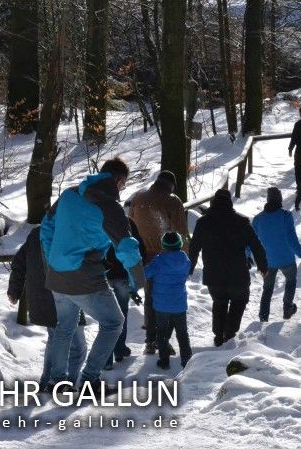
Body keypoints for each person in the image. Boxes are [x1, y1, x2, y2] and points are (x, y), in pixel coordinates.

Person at [40, 157, 145, 389]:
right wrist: (137, 280)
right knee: (114, 323)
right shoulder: (109, 207)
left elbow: (46, 227)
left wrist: (52, 260)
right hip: (84, 277)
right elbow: (127, 246)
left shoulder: (69, 194)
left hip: (57, 275)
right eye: (123, 184)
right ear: (118, 180)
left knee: (64, 328)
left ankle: (56, 381)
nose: (122, 189)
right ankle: (89, 380)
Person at [8, 225, 87, 387]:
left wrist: (15, 290)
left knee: (56, 339)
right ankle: (65, 384)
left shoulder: (39, 232)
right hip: (60, 296)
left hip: (49, 296)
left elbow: (19, 260)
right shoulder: (68, 232)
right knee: (77, 346)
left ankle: (50, 383)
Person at [188, 189, 268, 346]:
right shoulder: (241, 221)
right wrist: (263, 266)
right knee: (240, 300)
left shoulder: (203, 222)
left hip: (213, 274)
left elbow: (194, 247)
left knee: (219, 302)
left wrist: (189, 268)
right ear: (230, 202)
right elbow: (256, 245)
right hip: (237, 273)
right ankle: (230, 332)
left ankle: (219, 336)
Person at [126, 170, 189, 355]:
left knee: (150, 298)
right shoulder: (173, 201)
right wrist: (183, 260)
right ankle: (162, 341)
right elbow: (181, 231)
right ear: (171, 186)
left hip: (142, 257)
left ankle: (150, 340)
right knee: (167, 299)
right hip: (166, 259)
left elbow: (130, 224)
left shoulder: (138, 197)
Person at [252, 187, 301, 322]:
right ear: (280, 199)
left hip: (267, 261)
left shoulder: (257, 219)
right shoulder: (285, 216)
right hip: (286, 259)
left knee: (267, 288)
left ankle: (263, 316)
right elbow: (291, 240)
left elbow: (252, 242)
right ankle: (287, 309)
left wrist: (247, 256)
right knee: (290, 282)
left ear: (268, 200)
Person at [144, 231, 192, 369]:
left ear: (163, 245)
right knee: (182, 333)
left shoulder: (158, 260)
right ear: (180, 244)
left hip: (161, 305)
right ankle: (186, 361)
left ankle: (164, 360)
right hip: (179, 304)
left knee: (162, 332)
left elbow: (146, 273)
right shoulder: (185, 260)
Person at [103, 218, 144, 369]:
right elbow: (140, 250)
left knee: (106, 320)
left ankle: (106, 359)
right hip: (123, 276)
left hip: (105, 277)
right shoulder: (128, 223)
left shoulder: (100, 222)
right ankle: (119, 350)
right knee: (121, 316)